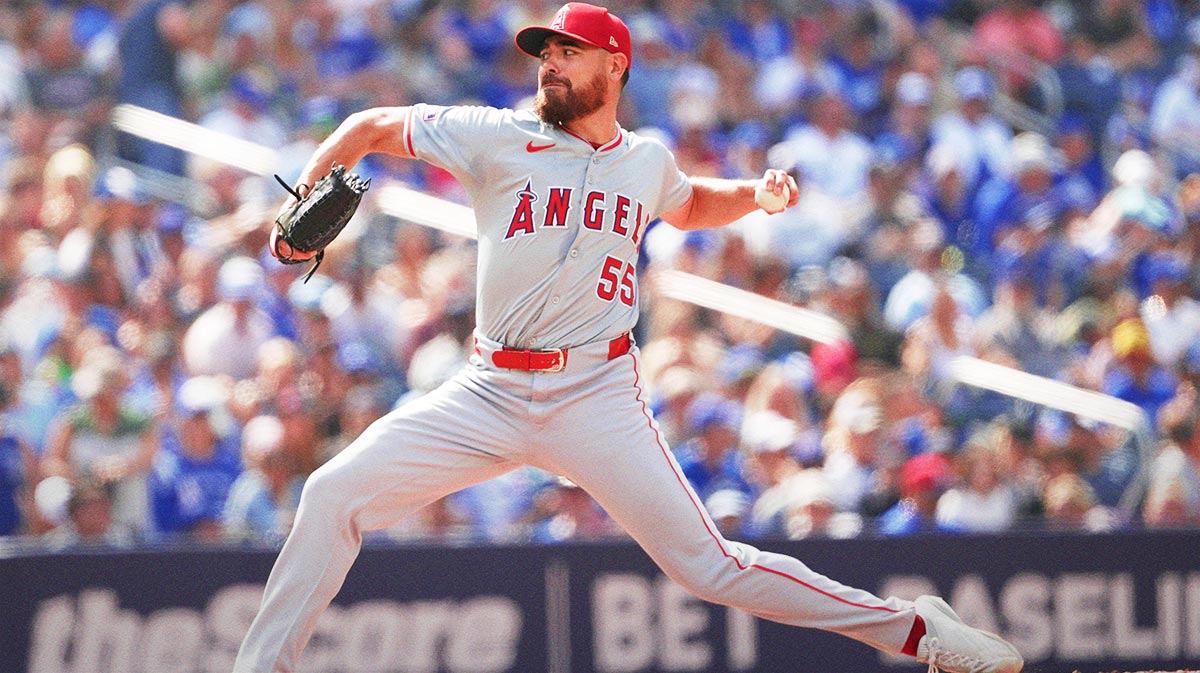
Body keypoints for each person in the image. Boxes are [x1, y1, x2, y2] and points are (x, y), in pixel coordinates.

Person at [236, 5, 1023, 673]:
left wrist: (752, 195)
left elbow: (687, 204)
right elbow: (371, 125)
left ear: (614, 66)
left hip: (595, 394)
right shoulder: (494, 136)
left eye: (566, 52)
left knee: (711, 566)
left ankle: (919, 630)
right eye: (544, 53)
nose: (549, 64)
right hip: (488, 388)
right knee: (332, 493)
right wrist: (300, 212)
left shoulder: (643, 160)